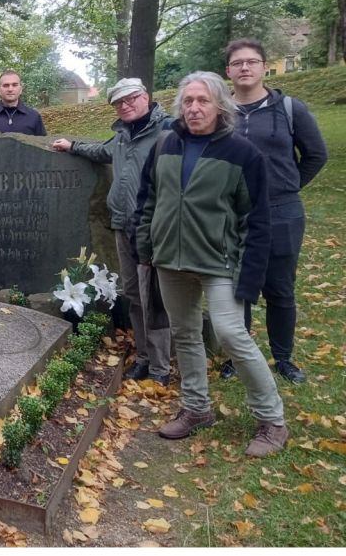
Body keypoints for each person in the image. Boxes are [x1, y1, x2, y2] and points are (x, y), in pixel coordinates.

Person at [135, 71, 288, 457]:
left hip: (219, 261)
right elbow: (148, 198)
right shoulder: (164, 145)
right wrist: (146, 245)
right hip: (170, 258)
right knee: (184, 333)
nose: (194, 108)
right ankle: (196, 409)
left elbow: (256, 219)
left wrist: (249, 277)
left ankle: (271, 419)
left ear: (220, 105)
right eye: (188, 101)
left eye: (203, 100)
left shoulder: (242, 154)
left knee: (230, 333)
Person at [52, 77, 172, 385]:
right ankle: (144, 357)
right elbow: (101, 152)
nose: (126, 105)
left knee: (154, 298)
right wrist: (73, 146)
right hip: (122, 224)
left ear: (146, 96)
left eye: (131, 98)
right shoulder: (121, 136)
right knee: (132, 294)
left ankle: (160, 367)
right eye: (119, 102)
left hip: (154, 227)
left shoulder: (168, 131)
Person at [221, 39, 328, 383]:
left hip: (282, 213)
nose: (245, 68)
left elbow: (316, 155)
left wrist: (288, 186)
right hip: (233, 215)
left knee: (280, 288)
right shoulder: (220, 114)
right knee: (239, 288)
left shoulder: (289, 109)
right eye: (238, 63)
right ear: (228, 71)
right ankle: (238, 358)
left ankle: (283, 358)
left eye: (252, 61)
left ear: (265, 66)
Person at [0, 70, 47, 135]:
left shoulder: (33, 116)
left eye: (14, 85)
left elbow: (44, 145)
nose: (10, 89)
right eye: (6, 85)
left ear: (21, 89)